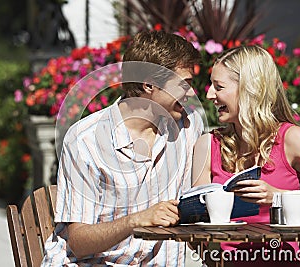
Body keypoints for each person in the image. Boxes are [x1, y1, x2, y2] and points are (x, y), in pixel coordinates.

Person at [41, 30, 205, 266]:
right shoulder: (85, 140)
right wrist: (137, 220)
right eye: (183, 85)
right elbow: (78, 242)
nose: (192, 94)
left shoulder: (189, 126)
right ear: (149, 84)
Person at [192, 45, 300, 266]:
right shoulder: (207, 145)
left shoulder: (293, 139)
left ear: (250, 89)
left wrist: (279, 197)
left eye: (218, 87)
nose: (209, 95)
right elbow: (196, 227)